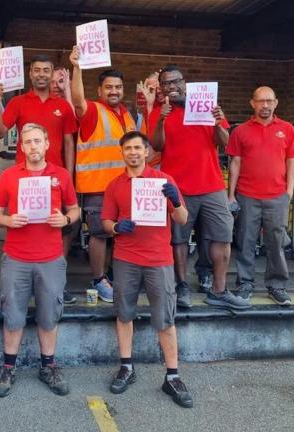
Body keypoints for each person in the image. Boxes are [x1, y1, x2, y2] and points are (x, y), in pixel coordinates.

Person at [101, 130, 192, 408]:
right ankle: (126, 367)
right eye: (127, 148)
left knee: (165, 318)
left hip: (159, 259)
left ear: (147, 152)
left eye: (137, 148)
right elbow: (105, 221)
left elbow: (182, 218)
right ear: (122, 153)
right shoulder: (115, 185)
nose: (133, 153)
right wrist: (117, 227)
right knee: (124, 314)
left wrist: (175, 200)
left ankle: (173, 376)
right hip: (126, 258)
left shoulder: (163, 181)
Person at [0, 123, 80, 397]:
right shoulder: (9, 176)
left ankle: (48, 366)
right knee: (13, 313)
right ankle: (8, 367)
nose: (32, 146)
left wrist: (65, 219)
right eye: (27, 142)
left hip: (51, 258)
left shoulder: (61, 175)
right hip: (16, 257)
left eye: (37, 141)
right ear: (22, 146)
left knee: (49, 314)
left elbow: (75, 209)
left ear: (46, 144)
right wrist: (8, 220)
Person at [150, 64, 250, 310]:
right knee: (178, 239)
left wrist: (217, 123)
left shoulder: (207, 108)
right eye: (167, 83)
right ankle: (182, 286)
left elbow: (227, 144)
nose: (172, 86)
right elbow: (157, 145)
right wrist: (161, 119)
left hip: (211, 185)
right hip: (178, 187)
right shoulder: (158, 111)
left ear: (185, 83)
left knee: (222, 236)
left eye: (176, 81)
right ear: (161, 89)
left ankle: (219, 290)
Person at [0, 54, 79, 303]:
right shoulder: (18, 102)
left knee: (60, 226)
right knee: (22, 225)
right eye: (37, 70)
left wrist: (69, 175)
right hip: (23, 178)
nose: (42, 74)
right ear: (30, 74)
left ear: (52, 74)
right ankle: (22, 279)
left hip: (55, 177)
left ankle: (57, 280)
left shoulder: (62, 105)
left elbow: (68, 141)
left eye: (46, 70)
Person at [69, 45, 137, 303]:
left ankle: (110, 275)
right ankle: (98, 279)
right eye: (109, 87)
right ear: (99, 91)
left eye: (118, 87)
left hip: (124, 186)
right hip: (98, 187)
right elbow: (77, 99)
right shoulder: (93, 111)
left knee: (118, 233)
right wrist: (77, 68)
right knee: (99, 234)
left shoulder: (126, 115)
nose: (114, 91)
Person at [227, 86, 294, 306]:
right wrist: (231, 195)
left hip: (277, 196)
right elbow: (235, 163)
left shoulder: (288, 129)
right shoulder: (240, 131)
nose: (265, 105)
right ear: (252, 103)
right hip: (247, 195)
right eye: (261, 101)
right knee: (245, 241)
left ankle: (277, 286)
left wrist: (288, 192)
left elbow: (292, 162)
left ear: (276, 103)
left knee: (276, 243)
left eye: (269, 101)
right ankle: (245, 284)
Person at [138, 70, 213, 295]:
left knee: (205, 231)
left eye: (157, 87)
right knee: (171, 233)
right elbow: (151, 146)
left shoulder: (197, 107)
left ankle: (204, 272)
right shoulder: (146, 114)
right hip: (161, 178)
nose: (159, 91)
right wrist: (153, 110)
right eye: (151, 89)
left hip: (194, 179)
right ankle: (168, 278)